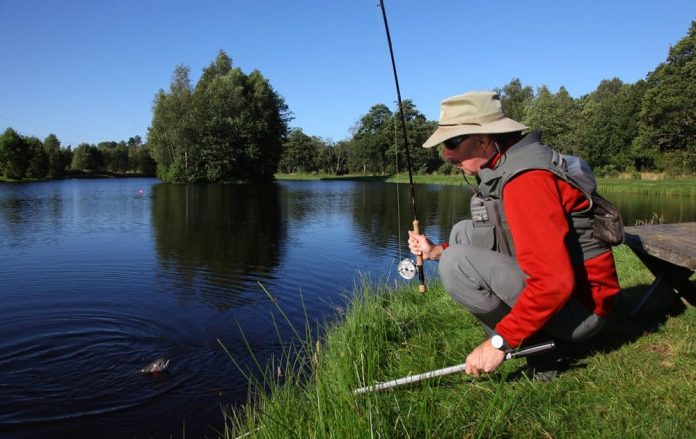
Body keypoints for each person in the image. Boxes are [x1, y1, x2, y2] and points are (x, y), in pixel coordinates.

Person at [408, 91, 621, 380]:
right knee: (461, 233)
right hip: (575, 299)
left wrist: (500, 342)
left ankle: (541, 353)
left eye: (451, 142)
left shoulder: (526, 181)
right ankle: (537, 336)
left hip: (583, 312)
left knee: (455, 265)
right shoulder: (512, 162)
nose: (446, 154)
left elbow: (554, 283)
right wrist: (435, 251)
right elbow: (501, 233)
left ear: (483, 140)